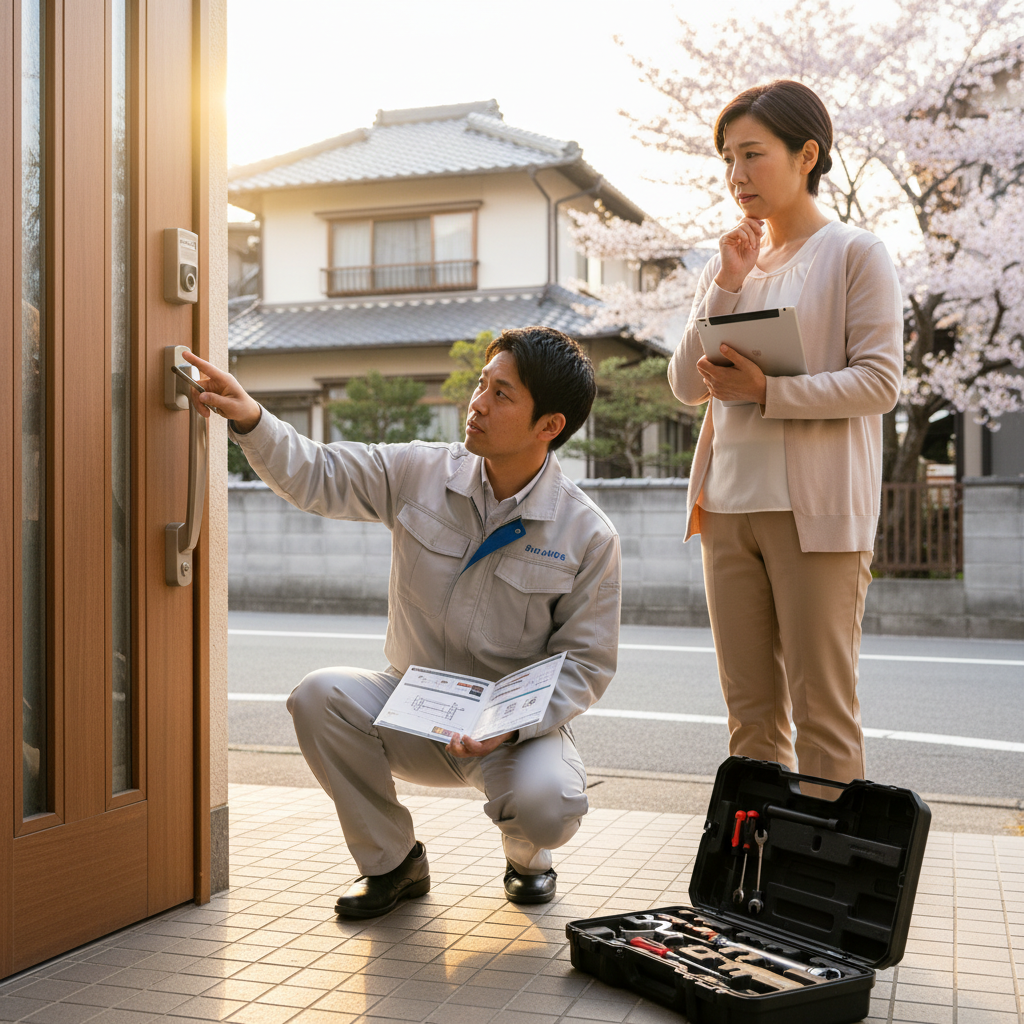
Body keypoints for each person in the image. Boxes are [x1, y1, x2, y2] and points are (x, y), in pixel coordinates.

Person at [186, 326, 621, 917]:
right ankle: (393, 864)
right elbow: (321, 473)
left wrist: (511, 726)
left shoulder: (586, 534)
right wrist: (252, 419)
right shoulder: (420, 471)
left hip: (508, 733)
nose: (477, 403)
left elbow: (586, 663)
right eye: (480, 384)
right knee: (317, 697)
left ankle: (527, 857)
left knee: (549, 805)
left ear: (550, 426)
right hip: (414, 706)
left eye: (502, 394)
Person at [668, 80, 902, 789]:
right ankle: (758, 880)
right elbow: (684, 384)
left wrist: (768, 391)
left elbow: (879, 382)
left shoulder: (856, 253)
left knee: (822, 712)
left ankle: (827, 890)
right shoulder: (726, 263)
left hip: (817, 517)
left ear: (807, 155)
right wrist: (729, 284)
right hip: (727, 510)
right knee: (751, 719)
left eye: (752, 155)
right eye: (727, 159)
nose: (737, 175)